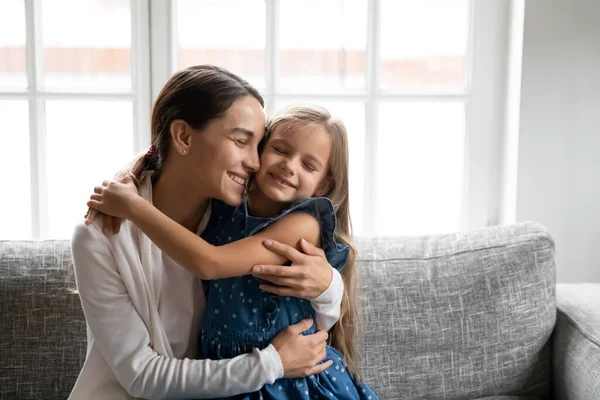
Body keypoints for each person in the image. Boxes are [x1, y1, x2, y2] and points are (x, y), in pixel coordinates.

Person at [70, 65, 343, 399]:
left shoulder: (235, 218)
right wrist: (272, 363)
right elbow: (143, 376)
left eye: (259, 145)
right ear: (183, 137)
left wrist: (330, 284)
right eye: (242, 141)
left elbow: (310, 305)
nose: (257, 163)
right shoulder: (101, 236)